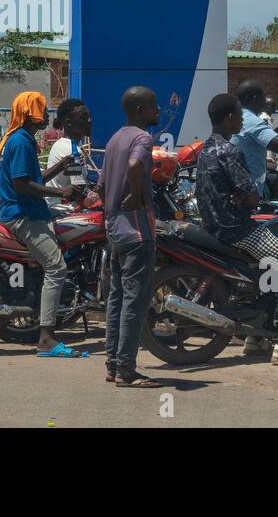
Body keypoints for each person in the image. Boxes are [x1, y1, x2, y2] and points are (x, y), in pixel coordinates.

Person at [197, 92, 278, 365]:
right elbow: (251, 196)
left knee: (269, 269)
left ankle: (256, 337)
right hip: (236, 229)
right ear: (229, 118)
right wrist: (246, 197)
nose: (242, 120)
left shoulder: (206, 148)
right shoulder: (229, 151)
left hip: (215, 225)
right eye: (240, 116)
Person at [0, 91, 80, 357]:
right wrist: (60, 193)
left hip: (30, 210)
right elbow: (22, 185)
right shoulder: (21, 141)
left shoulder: (24, 139)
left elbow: (34, 178)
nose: (46, 115)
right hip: (23, 214)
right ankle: (46, 338)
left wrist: (59, 167)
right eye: (42, 109)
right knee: (56, 268)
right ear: (31, 112)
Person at [99, 86, 164, 385]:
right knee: (134, 301)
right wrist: (136, 194)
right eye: (153, 106)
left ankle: (113, 365)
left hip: (114, 230)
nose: (158, 110)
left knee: (116, 298)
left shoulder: (114, 139)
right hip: (136, 230)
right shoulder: (142, 138)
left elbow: (101, 186)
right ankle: (127, 369)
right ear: (140, 110)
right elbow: (136, 164)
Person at [234, 81, 278, 197]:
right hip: (248, 193)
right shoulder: (251, 120)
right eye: (263, 97)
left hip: (239, 187)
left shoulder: (240, 116)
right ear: (255, 99)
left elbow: (271, 136)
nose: (265, 101)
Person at [45, 98, 96, 198]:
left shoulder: (61, 144)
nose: (89, 121)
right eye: (83, 117)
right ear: (69, 123)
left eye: (89, 116)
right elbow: (80, 192)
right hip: (65, 209)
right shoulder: (70, 150)